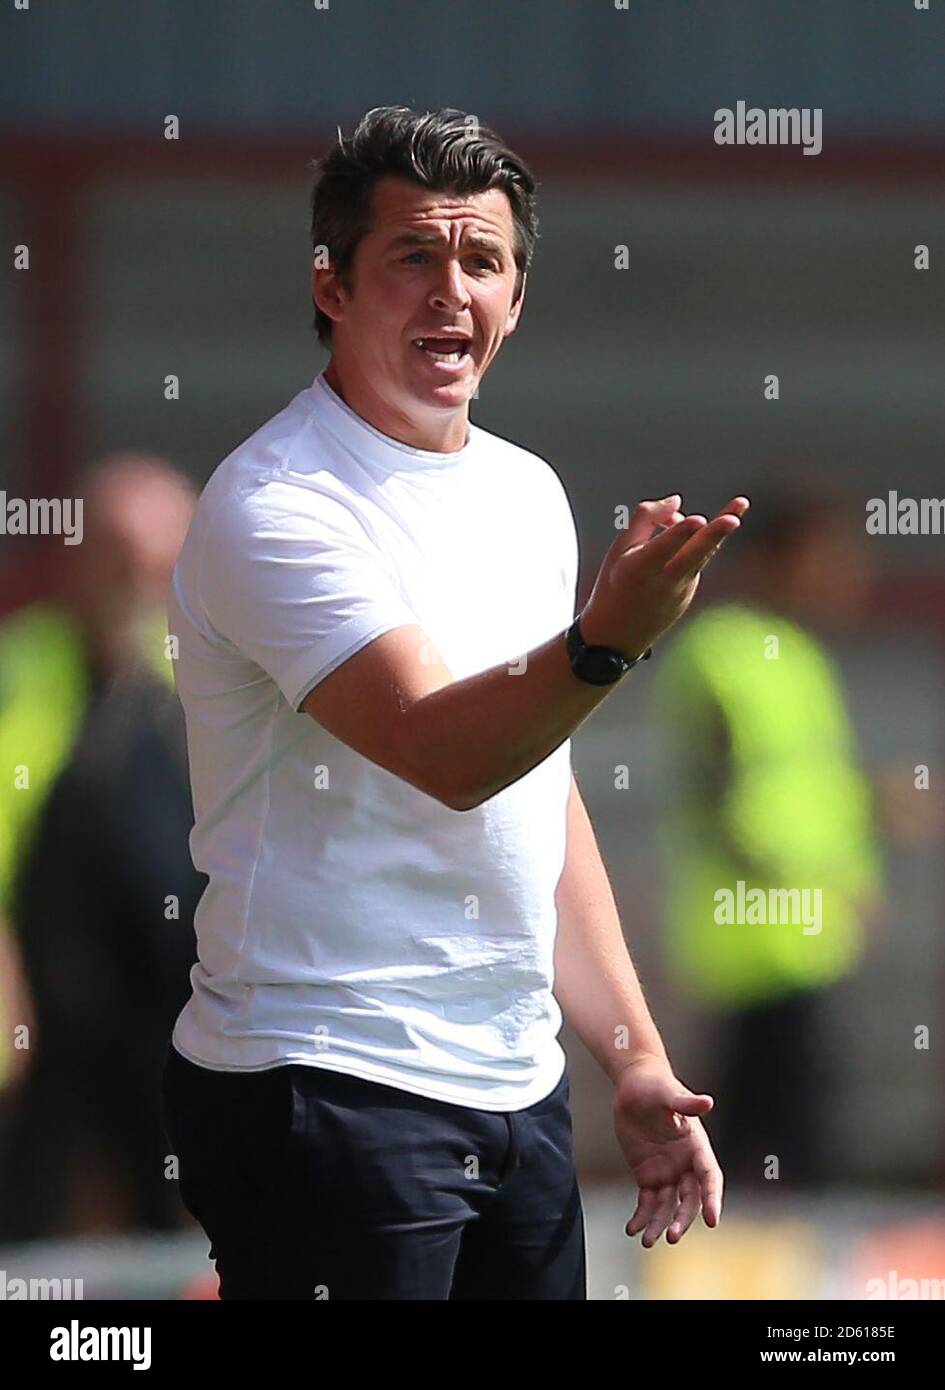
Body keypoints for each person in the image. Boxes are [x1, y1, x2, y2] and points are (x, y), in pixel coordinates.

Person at [161, 104, 749, 1301]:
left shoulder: (526, 491)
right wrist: (604, 644)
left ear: (517, 299)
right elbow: (446, 749)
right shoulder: (277, 504)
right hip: (326, 1082)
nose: (452, 291)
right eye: (414, 257)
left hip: (515, 1089)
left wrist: (631, 1058)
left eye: (482, 261)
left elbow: (537, 788)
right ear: (331, 285)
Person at [651, 488, 884, 1190]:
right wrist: (784, 885)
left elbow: (803, 792)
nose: (846, 574)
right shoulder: (722, 653)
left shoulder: (801, 659)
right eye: (827, 556)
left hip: (808, 936)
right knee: (769, 1137)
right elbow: (714, 789)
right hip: (752, 933)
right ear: (775, 560)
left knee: (778, 1126)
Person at [0, 454, 204, 1239]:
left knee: (184, 1218)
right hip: (43, 1006)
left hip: (183, 1011)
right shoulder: (24, 663)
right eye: (116, 551)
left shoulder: (211, 675)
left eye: (157, 557)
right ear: (74, 555)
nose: (138, 576)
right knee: (31, 1218)